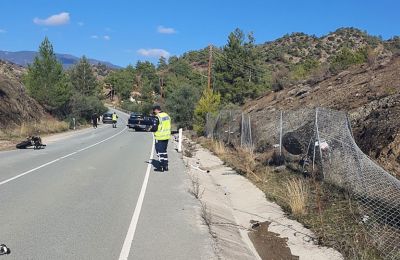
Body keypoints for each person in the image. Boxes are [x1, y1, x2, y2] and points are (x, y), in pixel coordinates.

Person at [153, 105, 171, 172]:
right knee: (164, 151)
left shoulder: (157, 117)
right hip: (166, 136)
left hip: (159, 136)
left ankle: (161, 167)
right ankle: (166, 166)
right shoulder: (167, 115)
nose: (154, 112)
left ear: (156, 110)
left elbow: (155, 127)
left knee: (160, 152)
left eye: (154, 111)